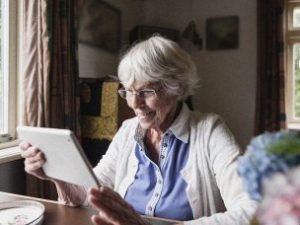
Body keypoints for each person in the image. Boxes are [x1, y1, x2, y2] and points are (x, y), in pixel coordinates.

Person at [20, 35, 258, 225]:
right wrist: (56, 173)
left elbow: (252, 211)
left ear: (177, 88)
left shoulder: (209, 130)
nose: (134, 103)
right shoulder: (128, 131)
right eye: (128, 91)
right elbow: (93, 191)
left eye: (146, 92)